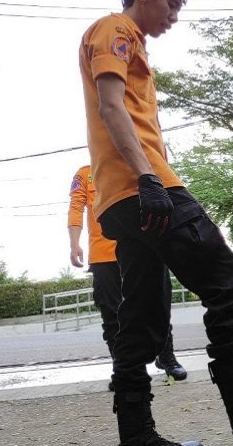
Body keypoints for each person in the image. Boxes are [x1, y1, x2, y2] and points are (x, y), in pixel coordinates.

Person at [78, 0, 233, 446]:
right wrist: (149, 178)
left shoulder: (130, 40)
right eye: (171, 3)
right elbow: (110, 104)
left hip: (121, 198)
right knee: (227, 282)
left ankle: (137, 435)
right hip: (144, 188)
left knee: (138, 319)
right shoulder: (115, 29)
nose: (175, 15)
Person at [67, 164, 188, 389]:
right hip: (103, 254)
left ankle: (167, 357)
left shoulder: (136, 163)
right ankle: (127, 367)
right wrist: (74, 244)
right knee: (111, 312)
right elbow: (76, 207)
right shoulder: (84, 174)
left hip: (144, 245)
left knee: (156, 303)